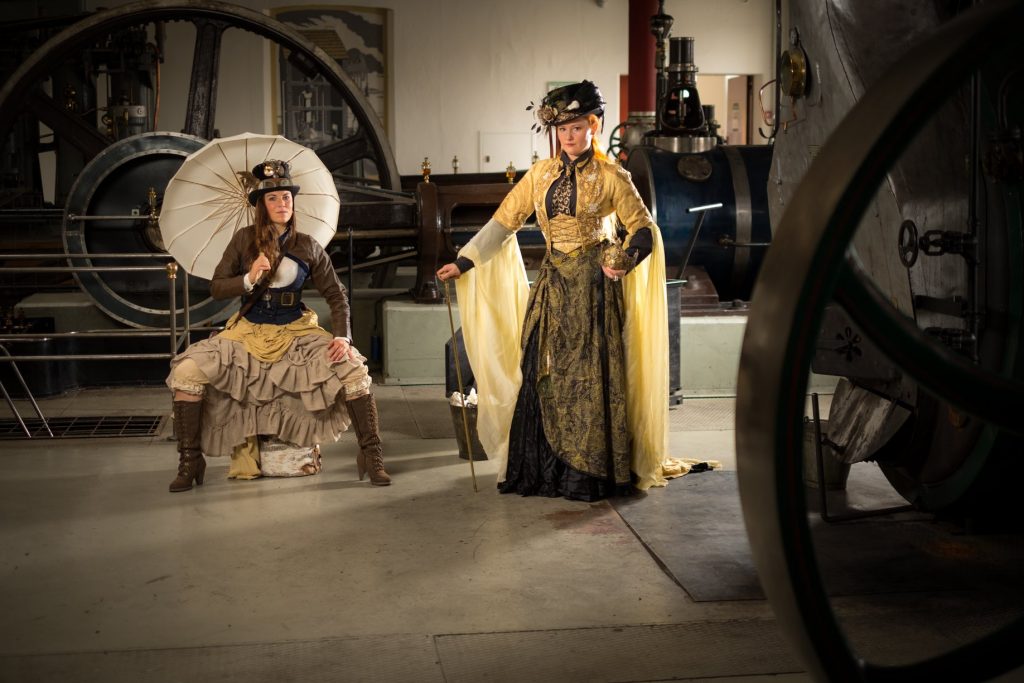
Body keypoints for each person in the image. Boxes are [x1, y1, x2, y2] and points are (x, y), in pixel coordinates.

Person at [436, 80, 671, 501]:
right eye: (562, 129)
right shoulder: (540, 175)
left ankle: (586, 473)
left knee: (586, 376)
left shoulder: (612, 176)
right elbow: (503, 222)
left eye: (577, 127)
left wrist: (622, 261)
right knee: (541, 370)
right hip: (552, 286)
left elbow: (643, 229)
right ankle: (543, 469)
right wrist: (465, 261)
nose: (569, 136)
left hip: (594, 289)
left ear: (593, 127)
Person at [165, 159, 390, 492]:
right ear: (261, 205)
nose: (282, 203)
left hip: (295, 329)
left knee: (354, 371)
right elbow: (216, 287)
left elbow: (336, 295)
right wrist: (248, 278)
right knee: (187, 373)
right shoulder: (243, 240)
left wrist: (342, 337)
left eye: (286, 197)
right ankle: (190, 461)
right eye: (273, 198)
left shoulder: (307, 244)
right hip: (249, 329)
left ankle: (372, 457)